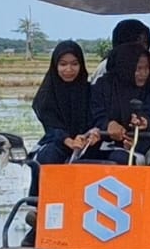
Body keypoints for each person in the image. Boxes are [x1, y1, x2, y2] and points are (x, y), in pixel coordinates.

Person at [30, 41, 104, 189]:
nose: (69, 69)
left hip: (87, 143)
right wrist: (68, 140)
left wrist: (93, 133)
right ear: (55, 66)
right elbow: (51, 126)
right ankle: (39, 204)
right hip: (58, 141)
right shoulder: (47, 95)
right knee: (46, 158)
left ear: (81, 65)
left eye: (74, 64)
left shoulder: (90, 91)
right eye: (63, 64)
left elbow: (96, 118)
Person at [90, 43, 150, 165]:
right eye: (138, 68)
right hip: (104, 144)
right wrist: (107, 124)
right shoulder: (102, 86)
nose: (143, 73)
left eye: (146, 68)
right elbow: (94, 112)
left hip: (142, 146)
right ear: (125, 67)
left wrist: (144, 121)